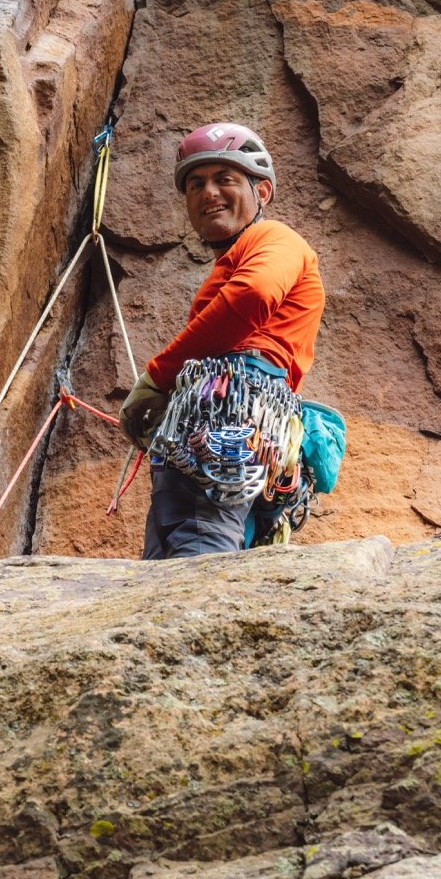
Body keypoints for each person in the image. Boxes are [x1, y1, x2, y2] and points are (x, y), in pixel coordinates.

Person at [119, 122, 326, 559]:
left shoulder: (274, 238)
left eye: (224, 179)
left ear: (263, 193)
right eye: (196, 184)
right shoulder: (234, 260)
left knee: (198, 544)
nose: (208, 192)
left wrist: (159, 376)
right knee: (177, 541)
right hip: (229, 420)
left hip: (229, 411)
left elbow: (252, 297)